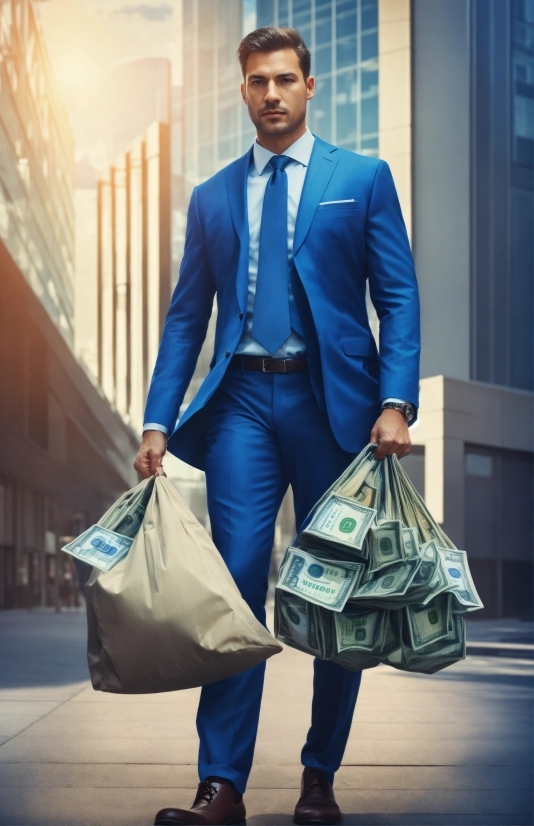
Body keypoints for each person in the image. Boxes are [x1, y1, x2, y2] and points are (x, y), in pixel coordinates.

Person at [135, 27, 419, 826]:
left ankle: (319, 773)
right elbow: (186, 319)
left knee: (336, 593)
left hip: (338, 411)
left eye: (285, 79)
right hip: (243, 411)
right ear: (242, 91)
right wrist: (159, 419)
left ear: (309, 86)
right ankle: (220, 783)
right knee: (234, 583)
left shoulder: (360, 179)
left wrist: (395, 401)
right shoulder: (213, 196)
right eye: (257, 81)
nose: (271, 93)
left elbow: (396, 297)